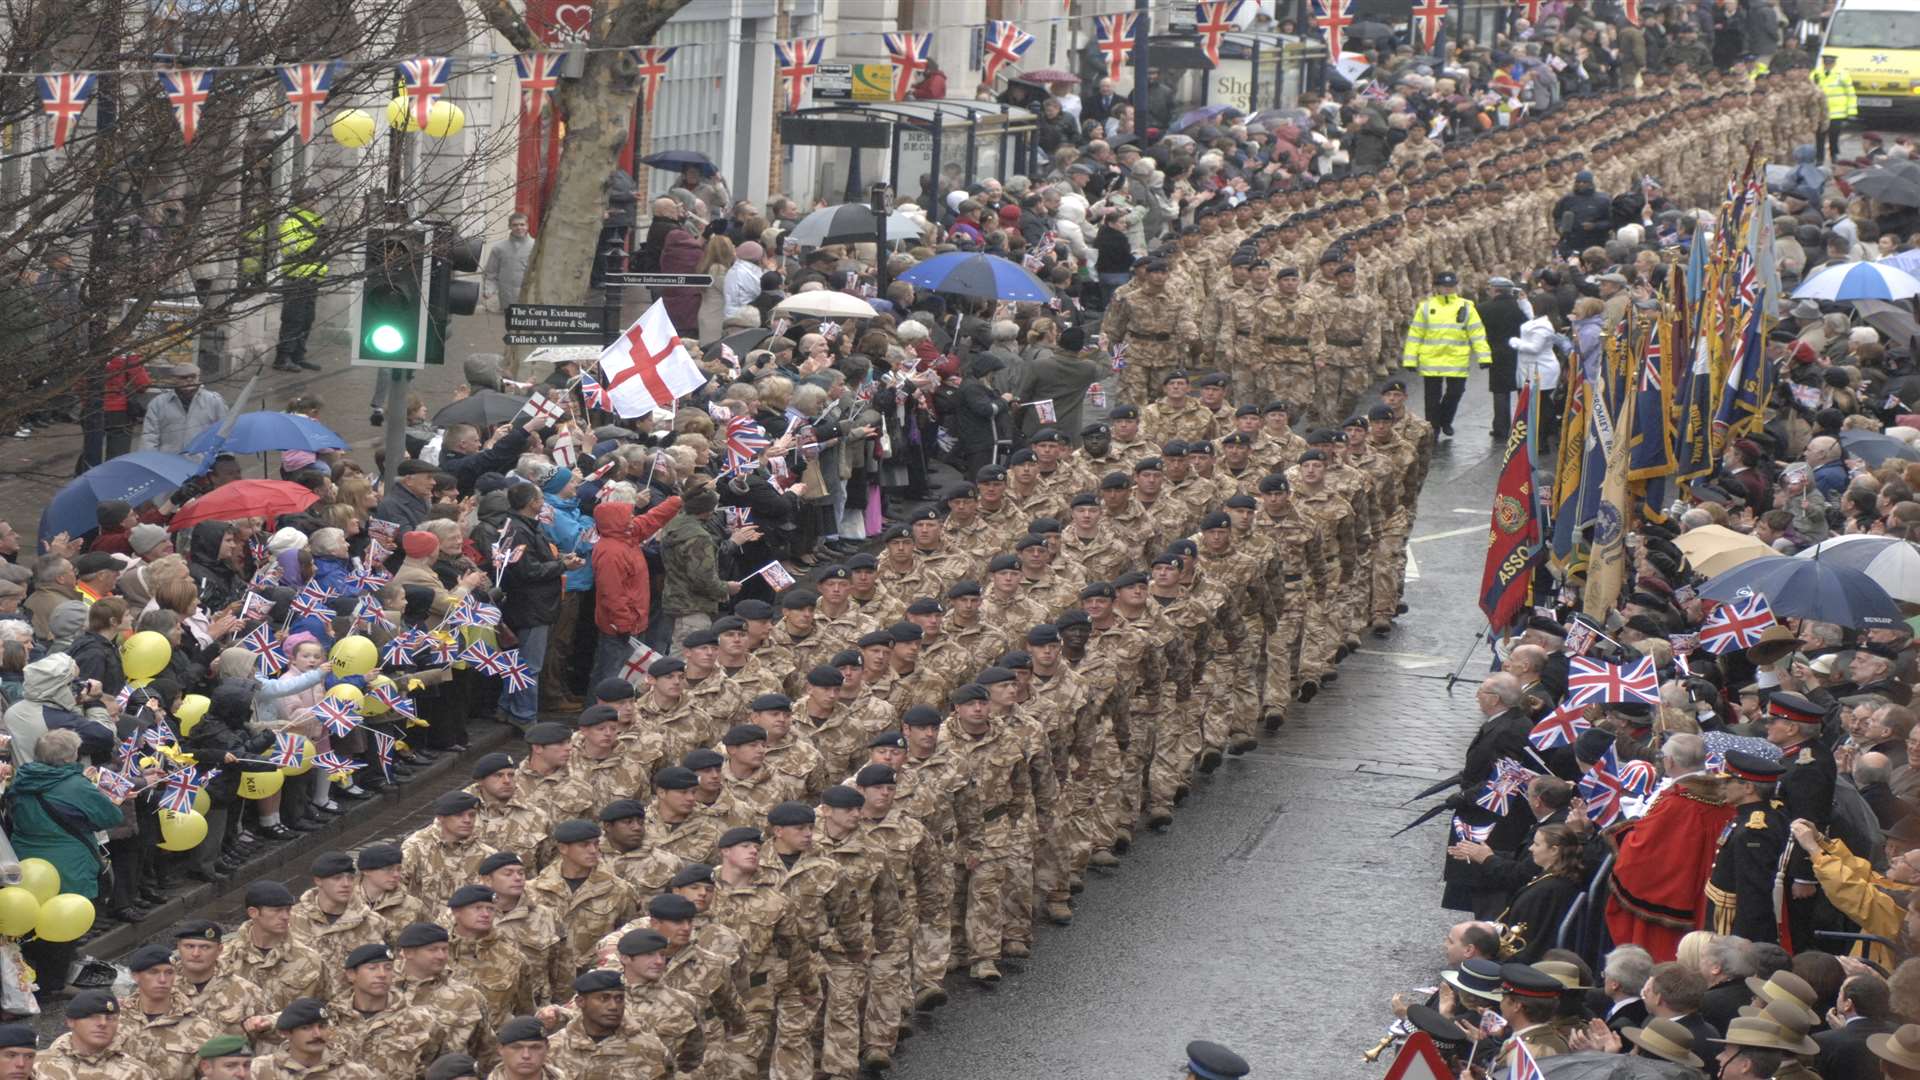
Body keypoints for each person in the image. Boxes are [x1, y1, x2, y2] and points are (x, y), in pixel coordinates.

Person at [10, 729, 126, 995]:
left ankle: (29, 976)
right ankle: (53, 983)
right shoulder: (75, 785)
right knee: (63, 922)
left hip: (27, 859)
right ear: (70, 756)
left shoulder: (22, 779)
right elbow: (111, 816)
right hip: (69, 861)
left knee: (30, 921)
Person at [1401, 271, 1488, 439]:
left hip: (1457, 359)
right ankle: (1432, 430)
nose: (1448, 290)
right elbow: (1415, 334)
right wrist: (1410, 359)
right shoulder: (1426, 306)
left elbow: (1477, 333)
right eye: (1444, 287)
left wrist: (1484, 357)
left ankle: (1445, 419)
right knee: (1432, 399)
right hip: (1431, 359)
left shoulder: (1466, 306)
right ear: (1438, 288)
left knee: (1455, 392)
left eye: (1451, 286)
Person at [272, 187, 327, 372]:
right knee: (293, 319)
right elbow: (289, 249)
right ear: (301, 201)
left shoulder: (317, 221)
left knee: (306, 319)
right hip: (296, 277)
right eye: (312, 199)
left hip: (312, 277)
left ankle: (298, 356)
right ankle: (283, 357)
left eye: (316, 199)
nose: (316, 203)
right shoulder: (292, 222)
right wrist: (314, 239)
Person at [139, 365, 227, 454]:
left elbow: (224, 431)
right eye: (183, 377)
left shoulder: (214, 401)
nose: (189, 380)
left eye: (193, 376)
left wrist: (225, 457)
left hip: (202, 462)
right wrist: (148, 460)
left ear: (198, 377)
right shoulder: (159, 403)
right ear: (174, 379)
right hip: (168, 461)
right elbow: (150, 435)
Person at [483, 212, 536, 312]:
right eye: (515, 225)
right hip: (506, 299)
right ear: (509, 226)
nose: (519, 228)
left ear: (527, 226)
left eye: (522, 224)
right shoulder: (499, 248)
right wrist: (489, 290)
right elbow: (491, 273)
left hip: (529, 299)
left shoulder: (536, 246)